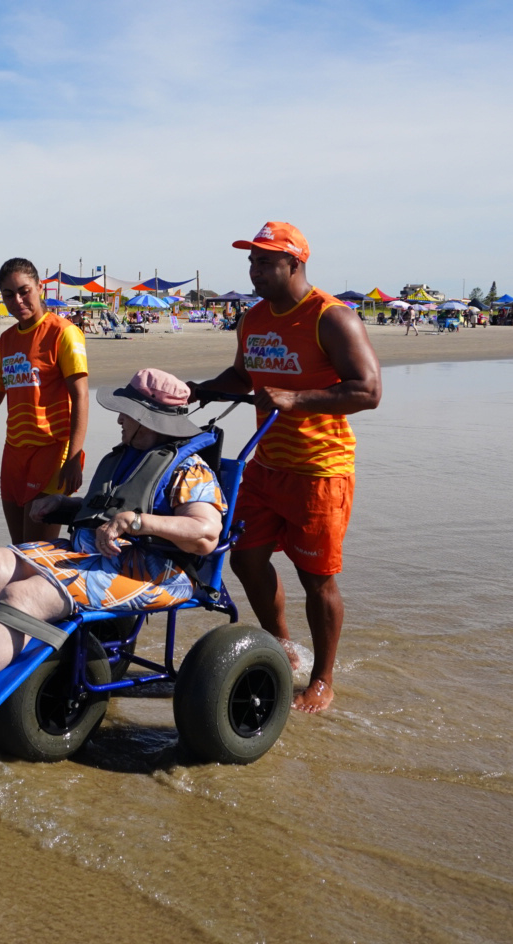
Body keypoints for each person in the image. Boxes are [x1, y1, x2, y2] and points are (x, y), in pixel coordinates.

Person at [0, 369, 224, 725]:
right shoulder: (128, 457)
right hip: (96, 556)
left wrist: (137, 522)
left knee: (26, 595)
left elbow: (206, 533)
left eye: (126, 413)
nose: (119, 420)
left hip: (153, 572)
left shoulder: (189, 471)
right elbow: (107, 511)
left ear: (147, 419)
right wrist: (63, 505)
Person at [188, 221, 382, 713]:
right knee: (244, 558)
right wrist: (195, 391)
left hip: (321, 472)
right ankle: (282, 646)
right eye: (251, 261)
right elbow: (241, 376)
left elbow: (369, 390)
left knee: (316, 578)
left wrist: (296, 398)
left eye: (265, 261)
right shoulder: (252, 319)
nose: (254, 270)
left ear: (295, 263)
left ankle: (323, 679)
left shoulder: (331, 317)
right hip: (266, 465)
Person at [0, 257, 89, 544]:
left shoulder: (63, 333)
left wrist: (74, 458)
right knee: (20, 548)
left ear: (39, 288)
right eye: (9, 295)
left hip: (52, 451)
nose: (18, 300)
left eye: (25, 291)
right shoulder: (6, 341)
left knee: (36, 554)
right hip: (14, 454)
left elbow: (81, 395)